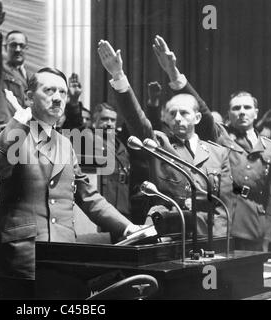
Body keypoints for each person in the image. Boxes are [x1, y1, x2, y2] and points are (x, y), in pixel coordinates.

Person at [0, 67, 142, 299]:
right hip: (21, 258)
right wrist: (17, 123)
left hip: (62, 257)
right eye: (49, 90)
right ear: (28, 97)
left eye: (62, 92)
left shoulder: (66, 144)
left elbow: (89, 196)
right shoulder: (16, 134)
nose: (57, 97)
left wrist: (128, 227)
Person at [152, 35, 271, 251]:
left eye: (247, 108)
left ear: (256, 112)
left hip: (255, 224)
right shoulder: (221, 136)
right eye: (236, 108)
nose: (241, 113)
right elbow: (202, 109)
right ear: (229, 113)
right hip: (225, 220)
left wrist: (268, 235)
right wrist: (174, 74)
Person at [98, 40, 233, 238]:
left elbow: (225, 206)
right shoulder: (160, 145)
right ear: (165, 118)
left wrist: (216, 240)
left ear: (197, 118)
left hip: (209, 238)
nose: (178, 118)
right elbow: (139, 122)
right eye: (172, 113)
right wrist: (118, 76)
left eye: (184, 113)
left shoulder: (217, 153)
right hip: (169, 234)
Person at [0, 0, 32, 146]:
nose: (17, 49)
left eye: (21, 46)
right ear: (5, 48)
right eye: (13, 45)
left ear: (26, 49)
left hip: (22, 135)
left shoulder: (31, 78)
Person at [92, 103, 130, 218]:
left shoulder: (121, 144)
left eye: (112, 120)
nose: (109, 123)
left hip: (122, 207)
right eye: (104, 119)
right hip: (102, 206)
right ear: (95, 121)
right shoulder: (89, 141)